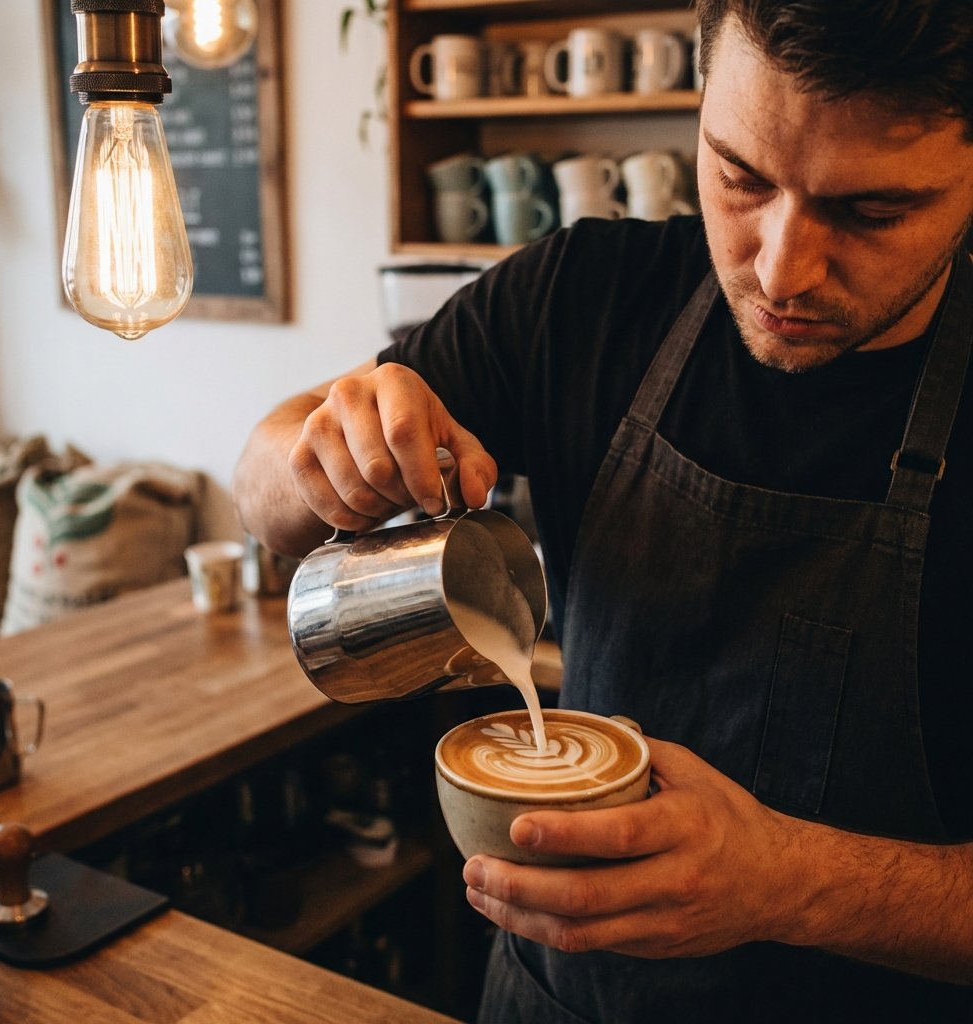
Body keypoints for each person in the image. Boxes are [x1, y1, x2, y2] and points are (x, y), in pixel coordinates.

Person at [233, 0, 973, 1019]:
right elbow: (266, 494)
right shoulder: (586, 296)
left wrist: (794, 883)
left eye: (869, 213)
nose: (778, 269)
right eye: (738, 176)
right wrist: (321, 459)